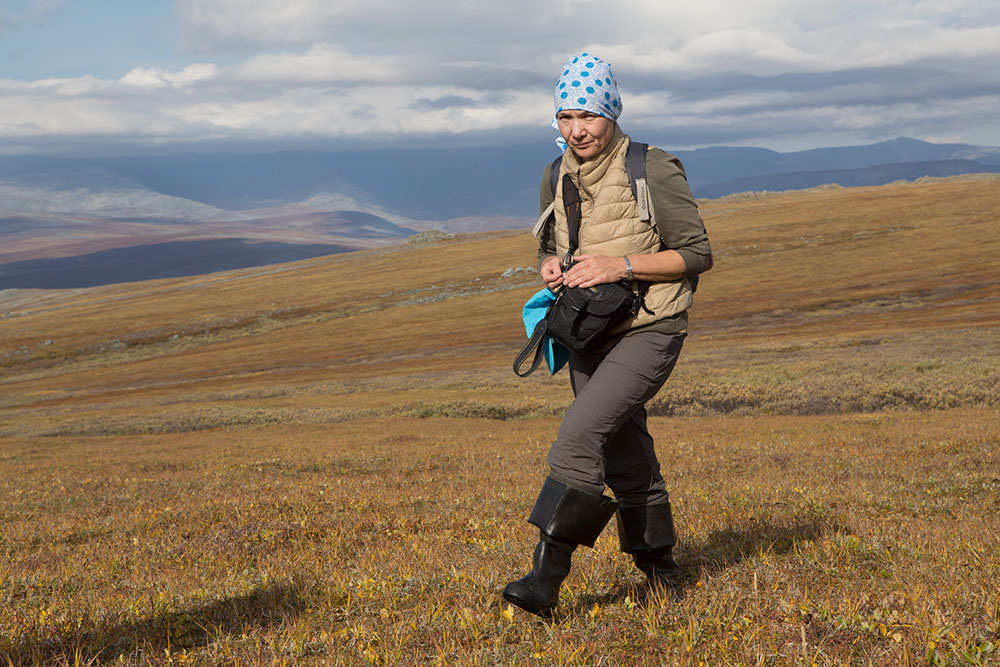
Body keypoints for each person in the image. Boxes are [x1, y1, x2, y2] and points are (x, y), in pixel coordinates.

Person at [502, 52, 713, 616]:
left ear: (612, 113)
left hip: (650, 326)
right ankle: (663, 573)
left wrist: (619, 264)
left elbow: (697, 255)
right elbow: (553, 244)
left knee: (579, 432)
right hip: (590, 330)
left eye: (588, 116)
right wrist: (552, 265)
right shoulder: (555, 174)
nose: (577, 130)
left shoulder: (652, 166)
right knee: (622, 448)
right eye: (566, 118)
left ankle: (545, 578)